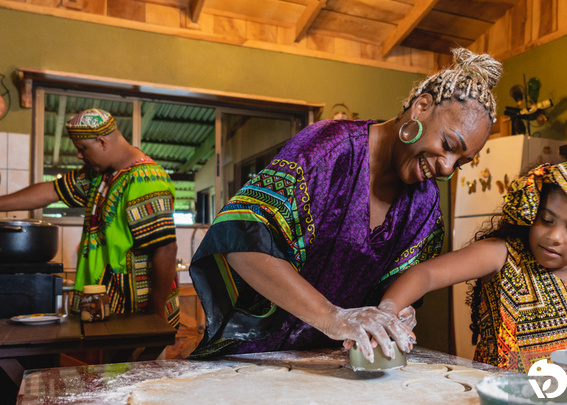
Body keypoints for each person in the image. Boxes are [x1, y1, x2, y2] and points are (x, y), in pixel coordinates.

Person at [189, 48, 502, 362]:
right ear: (421, 107)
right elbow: (241, 241)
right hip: (255, 356)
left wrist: (396, 313)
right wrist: (332, 317)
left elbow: (398, 287)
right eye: (448, 146)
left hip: (330, 365)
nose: (447, 168)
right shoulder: (330, 149)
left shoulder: (425, 204)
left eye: (460, 163)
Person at [380, 162, 567, 372]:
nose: (554, 236)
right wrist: (386, 315)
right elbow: (424, 273)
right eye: (546, 220)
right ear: (530, 214)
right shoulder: (503, 256)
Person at [0, 108, 179, 326]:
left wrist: (156, 314)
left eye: (83, 148)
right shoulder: (101, 174)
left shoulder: (146, 179)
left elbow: (166, 249)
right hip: (109, 303)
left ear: (102, 142)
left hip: (139, 310)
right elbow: (51, 191)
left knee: (139, 361)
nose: (79, 155)